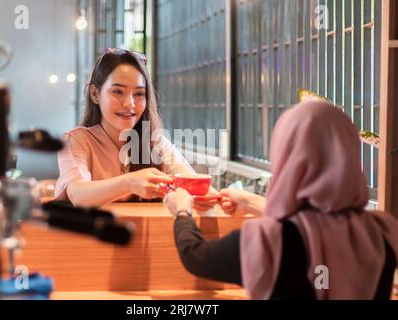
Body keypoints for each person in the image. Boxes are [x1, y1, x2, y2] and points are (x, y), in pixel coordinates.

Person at [164, 100, 398, 300]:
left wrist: (182, 212)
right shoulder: (383, 231)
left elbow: (195, 256)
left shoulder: (268, 242)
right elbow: (314, 224)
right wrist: (251, 202)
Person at [54, 48, 218, 211]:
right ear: (95, 94)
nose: (129, 104)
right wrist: (129, 183)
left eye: (139, 94)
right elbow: (78, 195)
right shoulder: (77, 141)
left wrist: (209, 197)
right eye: (118, 91)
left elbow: (192, 182)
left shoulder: (156, 143)